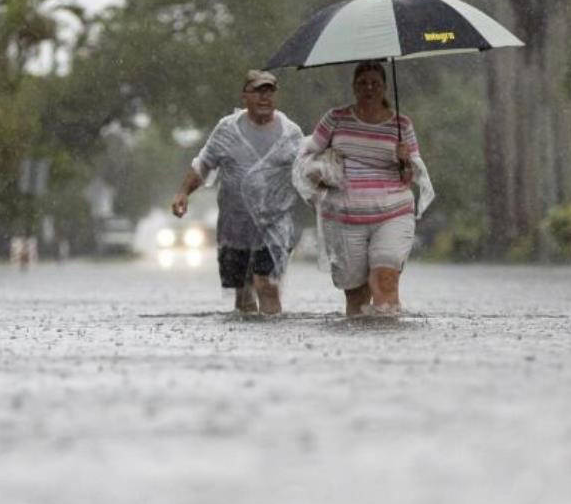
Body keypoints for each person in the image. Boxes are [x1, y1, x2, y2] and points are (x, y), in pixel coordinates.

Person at [294, 60, 434, 316]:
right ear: (354, 87)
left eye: (375, 83)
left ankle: (389, 347)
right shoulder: (335, 118)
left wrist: (404, 159)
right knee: (357, 296)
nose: (369, 88)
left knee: (384, 280)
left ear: (384, 88)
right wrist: (318, 174)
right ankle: (361, 350)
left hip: (393, 212)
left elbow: (409, 176)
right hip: (344, 216)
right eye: (363, 83)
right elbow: (305, 157)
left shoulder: (402, 125)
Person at [172, 70, 303, 314]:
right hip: (235, 227)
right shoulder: (227, 129)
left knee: (266, 284)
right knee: (243, 293)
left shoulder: (290, 133)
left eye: (269, 92)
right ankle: (247, 344)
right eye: (258, 92)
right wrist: (183, 193)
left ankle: (272, 341)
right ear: (245, 96)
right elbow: (203, 165)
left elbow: (306, 173)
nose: (264, 98)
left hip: (274, 225)